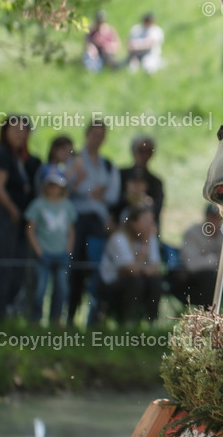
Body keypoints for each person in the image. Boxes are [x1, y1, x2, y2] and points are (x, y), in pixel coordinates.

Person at [0, 114, 41, 322]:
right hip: (3, 219)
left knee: (8, 268)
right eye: (15, 130)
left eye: (24, 131)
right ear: (5, 132)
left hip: (17, 220)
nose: (20, 135)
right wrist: (13, 210)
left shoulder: (23, 159)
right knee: (0, 268)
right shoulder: (2, 154)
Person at [65, 120, 120, 325]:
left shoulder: (107, 165)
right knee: (75, 269)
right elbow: (67, 188)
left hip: (98, 223)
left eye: (101, 135)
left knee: (96, 268)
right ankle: (70, 316)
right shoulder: (75, 160)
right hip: (77, 220)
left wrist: (87, 190)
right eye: (94, 134)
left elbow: (113, 195)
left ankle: (94, 319)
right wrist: (94, 191)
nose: (97, 139)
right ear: (86, 134)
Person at [25, 166, 76, 326]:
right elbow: (30, 229)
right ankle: (35, 319)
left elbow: (71, 230)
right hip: (43, 253)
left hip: (61, 253)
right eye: (50, 184)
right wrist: (38, 250)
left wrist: (68, 249)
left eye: (57, 185)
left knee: (62, 289)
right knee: (39, 288)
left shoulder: (67, 205)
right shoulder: (38, 205)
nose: (53, 188)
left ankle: (56, 319)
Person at [98, 206, 162, 324]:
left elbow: (157, 267)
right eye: (145, 221)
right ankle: (128, 321)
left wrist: (145, 270)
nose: (149, 225)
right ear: (133, 222)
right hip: (112, 283)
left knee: (155, 281)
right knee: (135, 281)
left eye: (151, 221)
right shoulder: (119, 238)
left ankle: (152, 321)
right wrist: (144, 247)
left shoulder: (150, 238)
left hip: (139, 278)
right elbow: (129, 270)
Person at [118, 135, 164, 227]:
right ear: (133, 151)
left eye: (148, 151)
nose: (144, 155)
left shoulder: (156, 182)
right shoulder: (121, 175)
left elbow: (156, 210)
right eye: (141, 151)